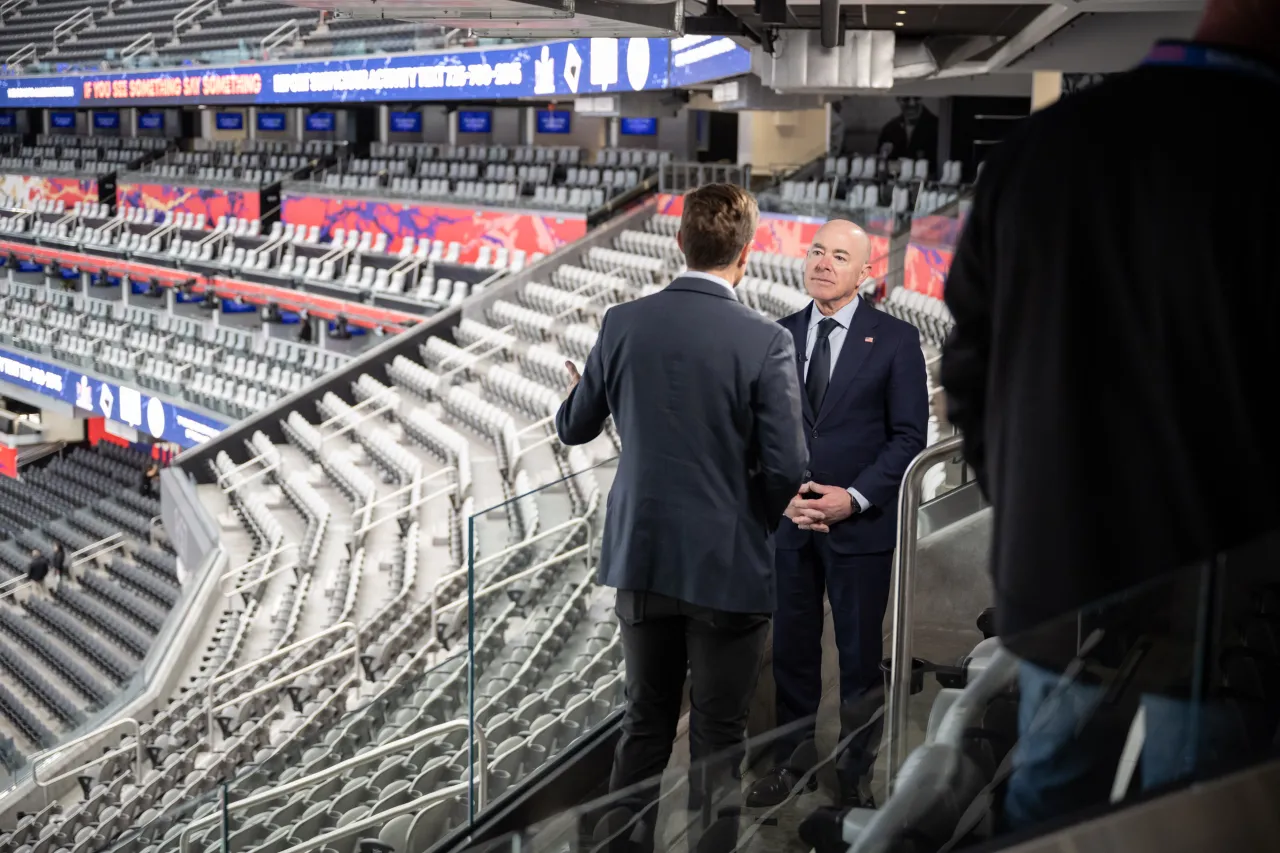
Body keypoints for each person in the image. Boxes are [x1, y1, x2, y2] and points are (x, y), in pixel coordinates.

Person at [941, 0, 1280, 831]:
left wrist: (1035, 518)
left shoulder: (1041, 150)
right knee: (1195, 826)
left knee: (1052, 813)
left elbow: (969, 375)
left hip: (1062, 590)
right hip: (1233, 620)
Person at [555, 183, 808, 849]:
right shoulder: (766, 340)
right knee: (719, 735)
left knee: (645, 723)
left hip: (643, 559)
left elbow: (575, 426)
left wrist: (583, 382)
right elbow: (788, 470)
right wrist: (755, 516)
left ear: (679, 243)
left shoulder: (622, 323)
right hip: (728, 566)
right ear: (746, 255)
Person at [746, 220, 928, 809]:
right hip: (791, 525)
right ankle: (792, 765)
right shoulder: (775, 336)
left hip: (861, 529)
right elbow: (761, 432)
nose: (823, 262)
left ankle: (854, 777)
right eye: (817, 251)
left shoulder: (896, 341)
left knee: (857, 662)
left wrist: (851, 498)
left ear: (865, 273)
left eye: (839, 255)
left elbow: (907, 439)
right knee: (793, 658)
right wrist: (786, 494)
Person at [876, 97, 938, 168]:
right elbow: (879, 162)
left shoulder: (939, 128)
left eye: (916, 98)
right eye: (906, 99)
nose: (912, 103)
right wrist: (883, 155)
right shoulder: (889, 129)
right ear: (898, 99)